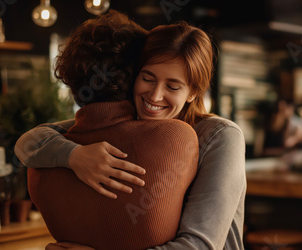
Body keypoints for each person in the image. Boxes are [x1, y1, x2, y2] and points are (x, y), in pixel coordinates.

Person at [16, 13, 246, 250]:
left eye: (172, 86)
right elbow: (29, 141)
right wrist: (73, 156)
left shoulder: (220, 136)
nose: (155, 96)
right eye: (147, 78)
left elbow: (199, 246)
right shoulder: (132, 123)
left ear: (193, 92)